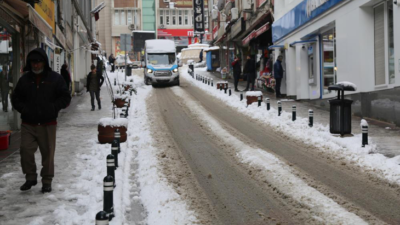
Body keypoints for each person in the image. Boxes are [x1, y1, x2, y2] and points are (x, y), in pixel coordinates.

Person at [11, 48, 71, 193]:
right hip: (28, 123)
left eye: (38, 62)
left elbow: (65, 97)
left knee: (48, 154)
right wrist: (24, 109)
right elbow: (15, 98)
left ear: (44, 62)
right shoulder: (24, 80)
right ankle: (30, 177)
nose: (35, 65)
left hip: (47, 123)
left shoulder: (55, 78)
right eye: (33, 62)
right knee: (25, 150)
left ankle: (47, 181)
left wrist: (53, 108)